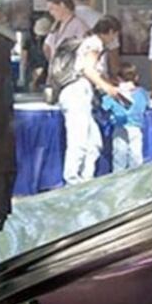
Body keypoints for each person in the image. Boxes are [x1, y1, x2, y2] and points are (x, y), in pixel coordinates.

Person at [60, 14, 122, 184]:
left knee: (94, 143)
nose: (114, 40)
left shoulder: (93, 43)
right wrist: (107, 87)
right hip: (77, 92)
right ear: (109, 32)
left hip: (83, 94)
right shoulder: (94, 44)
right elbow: (88, 70)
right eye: (114, 35)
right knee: (78, 140)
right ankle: (72, 180)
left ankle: (86, 178)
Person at [102, 63, 149, 171]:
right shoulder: (142, 92)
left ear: (118, 78)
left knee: (119, 157)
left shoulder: (114, 93)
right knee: (136, 156)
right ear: (136, 77)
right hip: (136, 126)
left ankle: (117, 180)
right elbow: (148, 104)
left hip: (120, 126)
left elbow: (105, 106)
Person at [42, 0, 88, 64]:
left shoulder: (78, 25)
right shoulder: (57, 25)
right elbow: (46, 47)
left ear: (62, 5)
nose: (51, 13)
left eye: (52, 8)